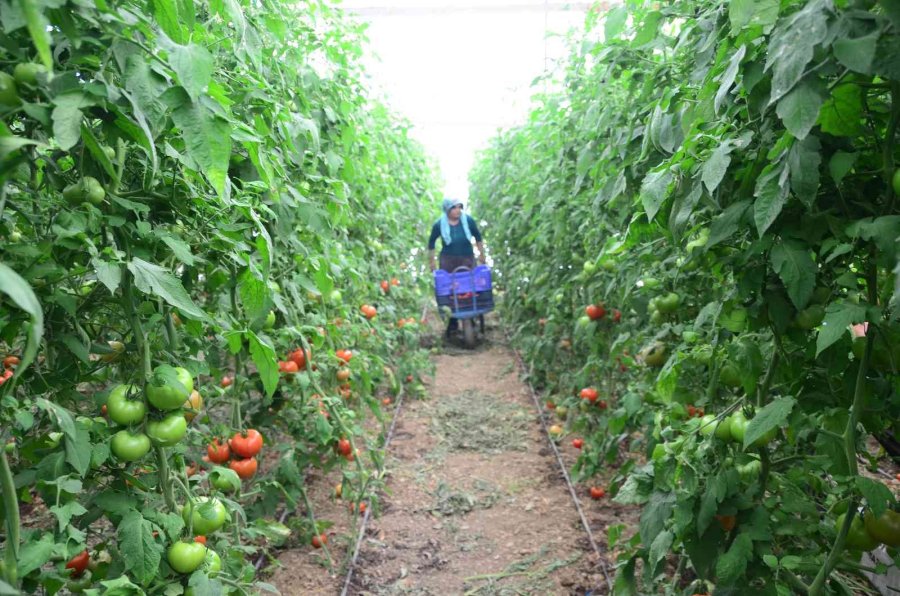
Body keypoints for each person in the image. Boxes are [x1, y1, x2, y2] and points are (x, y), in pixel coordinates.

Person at [427, 198, 486, 337]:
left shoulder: (468, 221)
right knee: (450, 290)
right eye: (454, 208)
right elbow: (431, 243)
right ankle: (452, 321)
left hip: (467, 259)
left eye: (459, 207)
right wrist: (432, 262)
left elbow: (478, 237)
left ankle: (471, 317)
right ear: (447, 210)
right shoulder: (439, 224)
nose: (458, 210)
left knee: (469, 287)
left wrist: (482, 255)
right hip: (448, 261)